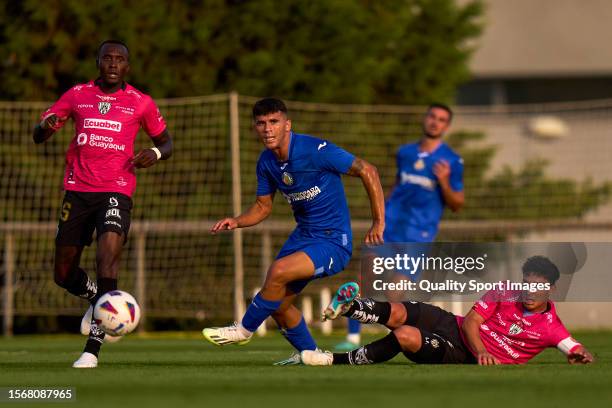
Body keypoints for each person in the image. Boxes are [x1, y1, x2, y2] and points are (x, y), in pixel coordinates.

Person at [202, 98, 385, 364]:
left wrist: (378, 221)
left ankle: (243, 330)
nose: (267, 129)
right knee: (279, 305)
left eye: (274, 122)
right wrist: (237, 221)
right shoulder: (266, 162)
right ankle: (310, 354)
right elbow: (262, 207)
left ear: (288, 125)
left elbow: (368, 170)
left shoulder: (317, 150)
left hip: (333, 241)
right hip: (304, 236)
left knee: (277, 272)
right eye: (261, 123)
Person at [33, 40, 173, 368]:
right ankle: (97, 298)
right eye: (107, 58)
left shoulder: (141, 102)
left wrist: (153, 153)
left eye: (120, 59)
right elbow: (38, 134)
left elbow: (166, 143)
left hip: (117, 191)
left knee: (107, 261)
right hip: (77, 192)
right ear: (98, 62)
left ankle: (92, 349)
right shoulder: (77, 95)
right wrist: (45, 128)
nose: (113, 64)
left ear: (127, 66)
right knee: (63, 274)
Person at [303, 256, 594, 366]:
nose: (530, 291)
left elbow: (572, 346)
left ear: (552, 290)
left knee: (404, 335)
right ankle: (348, 307)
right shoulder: (505, 290)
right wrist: (484, 350)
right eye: (527, 284)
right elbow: (471, 322)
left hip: (458, 352)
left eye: (538, 287)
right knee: (399, 310)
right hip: (455, 326)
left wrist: (580, 354)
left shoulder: (551, 326)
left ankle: (333, 360)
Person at [336, 103, 464, 351]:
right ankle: (352, 337)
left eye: (441, 119)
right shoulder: (405, 152)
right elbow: (397, 185)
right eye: (432, 117)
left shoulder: (452, 160)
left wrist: (444, 182)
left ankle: (416, 340)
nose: (435, 122)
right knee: (367, 273)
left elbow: (457, 203)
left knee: (395, 293)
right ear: (425, 119)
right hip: (391, 227)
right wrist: (380, 217)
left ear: (446, 126)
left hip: (419, 234)